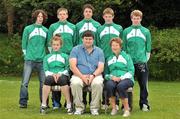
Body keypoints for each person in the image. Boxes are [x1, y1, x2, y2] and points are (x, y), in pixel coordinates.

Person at [69, 30, 104, 115]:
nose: (88, 41)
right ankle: (79, 108)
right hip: (79, 75)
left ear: (93, 40)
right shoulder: (75, 50)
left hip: (95, 75)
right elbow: (72, 66)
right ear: (82, 39)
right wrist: (83, 77)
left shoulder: (99, 51)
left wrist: (93, 76)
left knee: (98, 83)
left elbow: (101, 67)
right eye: (86, 39)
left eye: (90, 39)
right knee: (75, 83)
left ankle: (94, 108)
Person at [122, 10, 151, 111]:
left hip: (141, 62)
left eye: (138, 18)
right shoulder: (126, 31)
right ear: (131, 19)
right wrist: (126, 61)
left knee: (143, 84)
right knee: (126, 84)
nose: (136, 20)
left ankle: (144, 104)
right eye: (134, 18)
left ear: (141, 19)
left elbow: (148, 48)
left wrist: (144, 60)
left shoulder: (146, 31)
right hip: (129, 63)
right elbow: (124, 48)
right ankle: (127, 105)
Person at [47, 7, 76, 109]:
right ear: (58, 15)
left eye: (64, 14)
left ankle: (69, 102)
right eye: (60, 14)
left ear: (67, 15)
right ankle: (56, 103)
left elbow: (75, 43)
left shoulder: (73, 27)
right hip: (57, 56)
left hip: (70, 57)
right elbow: (50, 43)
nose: (62, 16)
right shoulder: (52, 27)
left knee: (69, 80)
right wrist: (53, 55)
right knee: (55, 78)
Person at [19, 9, 48, 108]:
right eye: (38, 16)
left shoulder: (46, 30)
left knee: (43, 84)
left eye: (42, 17)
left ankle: (44, 103)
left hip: (42, 60)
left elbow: (48, 46)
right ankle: (23, 102)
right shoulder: (28, 29)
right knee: (25, 83)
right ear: (35, 17)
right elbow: (24, 44)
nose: (40, 18)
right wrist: (26, 55)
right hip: (30, 60)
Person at [96, 7, 123, 110]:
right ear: (103, 17)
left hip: (115, 58)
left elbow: (121, 43)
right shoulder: (99, 29)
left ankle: (116, 102)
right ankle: (105, 102)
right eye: (106, 16)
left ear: (113, 17)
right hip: (103, 59)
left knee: (115, 80)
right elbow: (97, 44)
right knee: (103, 81)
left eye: (110, 16)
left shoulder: (119, 28)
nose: (108, 18)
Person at [76, 3, 101, 108]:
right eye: (86, 11)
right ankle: (83, 102)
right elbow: (76, 40)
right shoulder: (78, 25)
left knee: (92, 76)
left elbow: (98, 41)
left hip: (93, 54)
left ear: (92, 13)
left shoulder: (97, 25)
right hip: (81, 54)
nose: (88, 13)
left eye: (90, 11)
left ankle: (92, 102)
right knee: (81, 75)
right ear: (83, 13)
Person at [40, 34, 72, 114]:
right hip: (51, 75)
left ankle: (69, 105)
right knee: (47, 80)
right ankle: (43, 105)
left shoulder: (65, 56)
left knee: (62, 80)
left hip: (62, 75)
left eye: (57, 45)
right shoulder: (47, 57)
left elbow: (67, 68)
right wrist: (53, 74)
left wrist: (59, 74)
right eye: (54, 45)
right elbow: (46, 69)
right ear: (51, 45)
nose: (55, 46)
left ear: (61, 45)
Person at [105, 37, 134, 117]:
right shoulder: (109, 58)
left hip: (127, 79)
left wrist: (121, 78)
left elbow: (131, 71)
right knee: (109, 85)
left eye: (116, 45)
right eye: (113, 45)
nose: (114, 47)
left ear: (120, 46)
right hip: (113, 79)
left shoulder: (127, 56)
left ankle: (127, 109)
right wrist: (111, 77)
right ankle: (114, 108)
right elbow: (106, 74)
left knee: (121, 86)